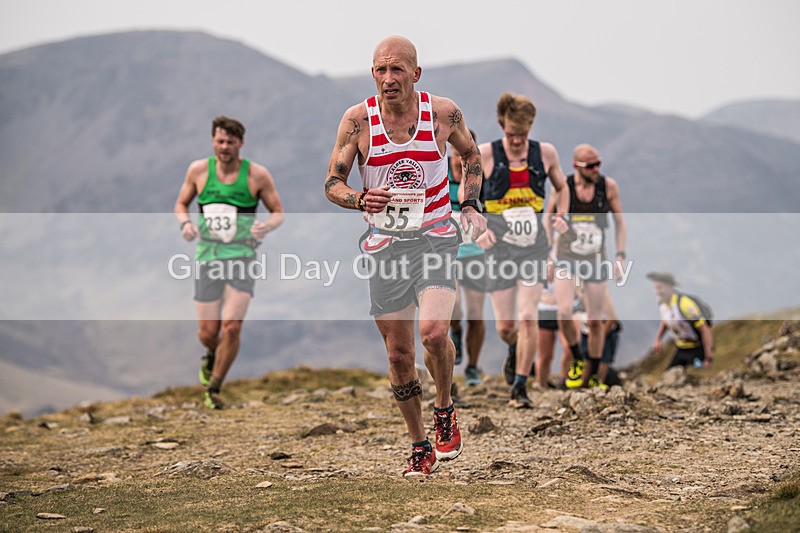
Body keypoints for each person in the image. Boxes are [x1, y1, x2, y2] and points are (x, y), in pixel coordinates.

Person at [323, 36, 486, 477]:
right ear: (372, 73)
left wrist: (470, 204)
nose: (389, 78)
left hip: (435, 237)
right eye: (381, 70)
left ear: (416, 73)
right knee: (398, 355)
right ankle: (419, 444)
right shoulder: (357, 121)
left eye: (397, 69)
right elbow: (332, 183)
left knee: (434, 333)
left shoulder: (442, 113)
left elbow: (471, 155)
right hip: (385, 246)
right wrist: (360, 199)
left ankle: (444, 407)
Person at [174, 116, 284, 409]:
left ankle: (214, 387)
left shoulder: (257, 175)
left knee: (232, 327)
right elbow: (181, 203)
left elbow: (278, 212)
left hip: (242, 257)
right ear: (213, 141)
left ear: (241, 144)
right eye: (220, 141)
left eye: (230, 142)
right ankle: (212, 355)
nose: (224, 147)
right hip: (208, 256)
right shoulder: (198, 171)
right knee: (208, 333)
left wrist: (265, 226)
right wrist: (185, 224)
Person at [476, 92, 569, 408]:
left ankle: (519, 387)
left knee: (528, 317)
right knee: (506, 327)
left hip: (534, 248)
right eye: (512, 134)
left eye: (523, 134)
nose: (517, 140)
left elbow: (562, 187)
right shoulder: (486, 154)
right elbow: (466, 196)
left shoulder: (545, 153)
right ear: (502, 125)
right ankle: (515, 348)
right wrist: (479, 229)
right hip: (499, 250)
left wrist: (560, 216)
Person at [548, 143, 627, 388]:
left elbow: (620, 223)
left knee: (595, 321)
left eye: (598, 164)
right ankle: (577, 358)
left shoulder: (608, 187)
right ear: (576, 166)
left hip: (595, 259)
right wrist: (548, 254)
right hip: (566, 257)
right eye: (590, 165)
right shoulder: (564, 187)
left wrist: (620, 255)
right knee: (564, 312)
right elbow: (548, 219)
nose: (596, 169)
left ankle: (592, 374)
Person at [448, 129, 487, 387]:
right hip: (447, 251)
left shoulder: (480, 176)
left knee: (475, 314)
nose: (460, 160)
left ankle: (472, 366)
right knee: (453, 306)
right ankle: (455, 330)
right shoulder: (440, 174)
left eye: (464, 155)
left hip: (475, 252)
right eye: (456, 154)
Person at [647, 271, 714, 368]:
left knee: (694, 374)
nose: (657, 291)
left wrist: (708, 357)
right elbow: (666, 320)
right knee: (669, 375)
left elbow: (704, 328)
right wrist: (658, 339)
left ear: (669, 287)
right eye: (655, 288)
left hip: (697, 348)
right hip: (681, 348)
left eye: (660, 287)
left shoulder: (685, 304)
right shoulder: (662, 304)